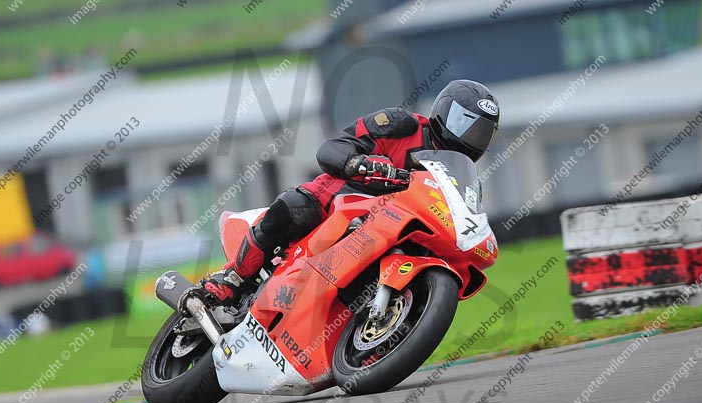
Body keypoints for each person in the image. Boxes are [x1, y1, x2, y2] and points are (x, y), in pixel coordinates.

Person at [198, 79, 500, 306]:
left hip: (394, 233)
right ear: (444, 111)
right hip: (340, 200)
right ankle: (231, 280)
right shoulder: (401, 125)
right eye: (466, 124)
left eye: (481, 132)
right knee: (292, 208)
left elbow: (460, 223)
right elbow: (333, 147)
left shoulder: (461, 180)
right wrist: (357, 162)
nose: (471, 137)